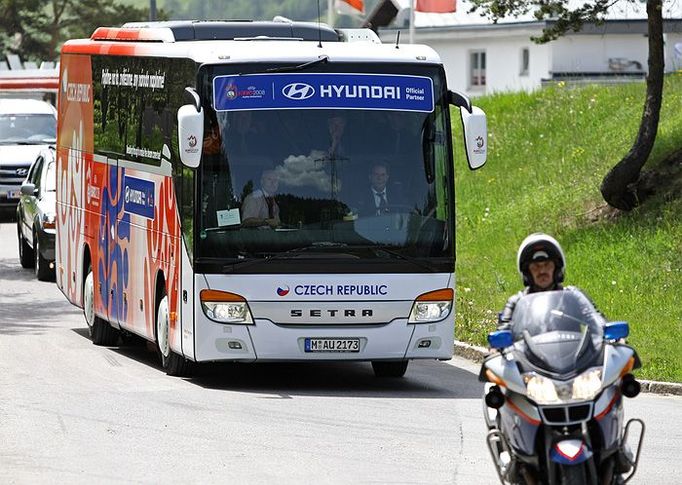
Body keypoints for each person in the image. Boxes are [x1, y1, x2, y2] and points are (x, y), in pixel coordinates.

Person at [498, 233, 605, 329]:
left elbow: (598, 323)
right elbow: (503, 333)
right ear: (527, 272)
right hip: (527, 351)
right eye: (535, 266)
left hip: (575, 351)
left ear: (557, 268)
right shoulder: (516, 303)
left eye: (547, 265)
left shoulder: (575, 296)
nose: (542, 271)